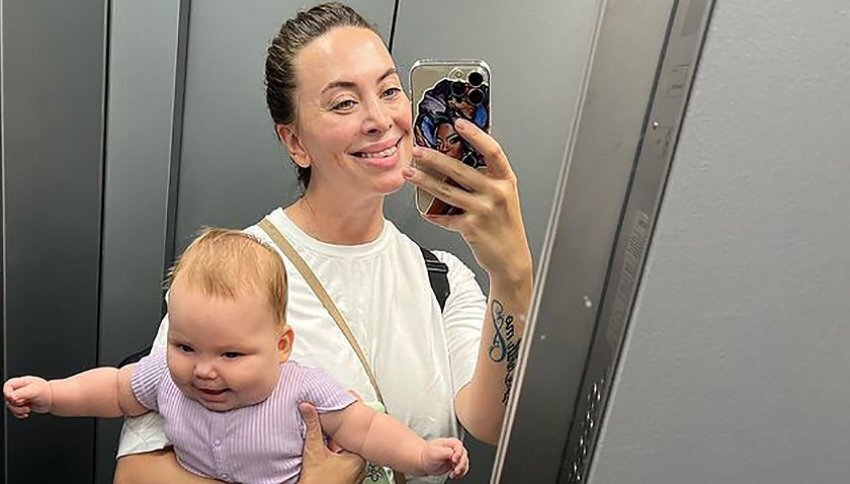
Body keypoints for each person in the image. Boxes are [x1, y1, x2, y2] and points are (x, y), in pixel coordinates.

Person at [114, 3, 533, 483]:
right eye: (344, 103)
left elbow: (493, 422)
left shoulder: (442, 279)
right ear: (295, 142)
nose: (380, 119)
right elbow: (135, 475)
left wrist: (512, 273)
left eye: (389, 90)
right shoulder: (233, 270)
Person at [4, 228, 469, 483]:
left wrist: (421, 455)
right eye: (185, 346)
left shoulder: (302, 390)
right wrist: (52, 394)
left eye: (231, 354)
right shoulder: (165, 377)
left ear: (281, 346)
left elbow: (365, 429)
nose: (204, 370)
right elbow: (114, 389)